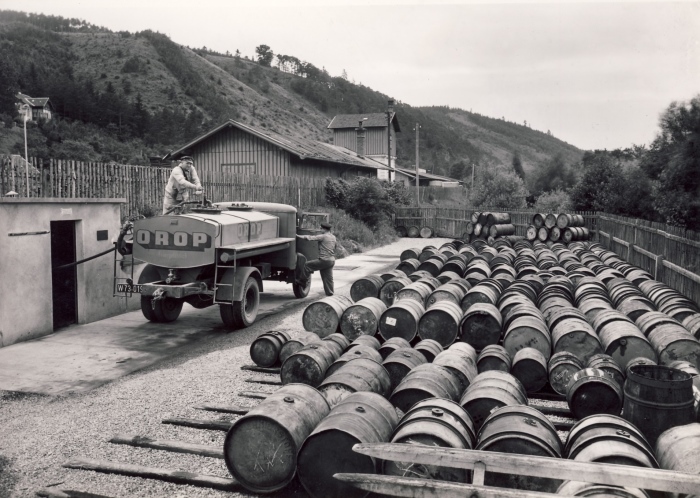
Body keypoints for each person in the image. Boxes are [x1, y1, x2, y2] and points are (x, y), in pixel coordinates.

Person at [296, 221, 337, 296]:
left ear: (324, 229)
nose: (320, 230)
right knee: (328, 279)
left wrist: (297, 236)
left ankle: (302, 282)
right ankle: (330, 294)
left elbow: (309, 238)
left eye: (321, 228)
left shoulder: (323, 236)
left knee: (307, 265)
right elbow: (335, 247)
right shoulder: (333, 237)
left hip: (324, 260)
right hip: (331, 260)